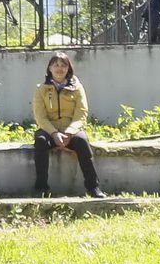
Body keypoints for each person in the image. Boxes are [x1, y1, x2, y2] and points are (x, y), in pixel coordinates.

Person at [32, 52, 105, 198]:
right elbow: (40, 116)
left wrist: (70, 132)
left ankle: (93, 187)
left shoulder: (77, 88)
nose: (59, 69)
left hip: (71, 130)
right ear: (50, 68)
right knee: (40, 141)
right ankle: (41, 188)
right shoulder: (41, 89)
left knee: (82, 142)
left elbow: (81, 113)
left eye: (63, 65)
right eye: (56, 65)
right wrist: (54, 133)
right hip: (49, 130)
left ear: (68, 68)